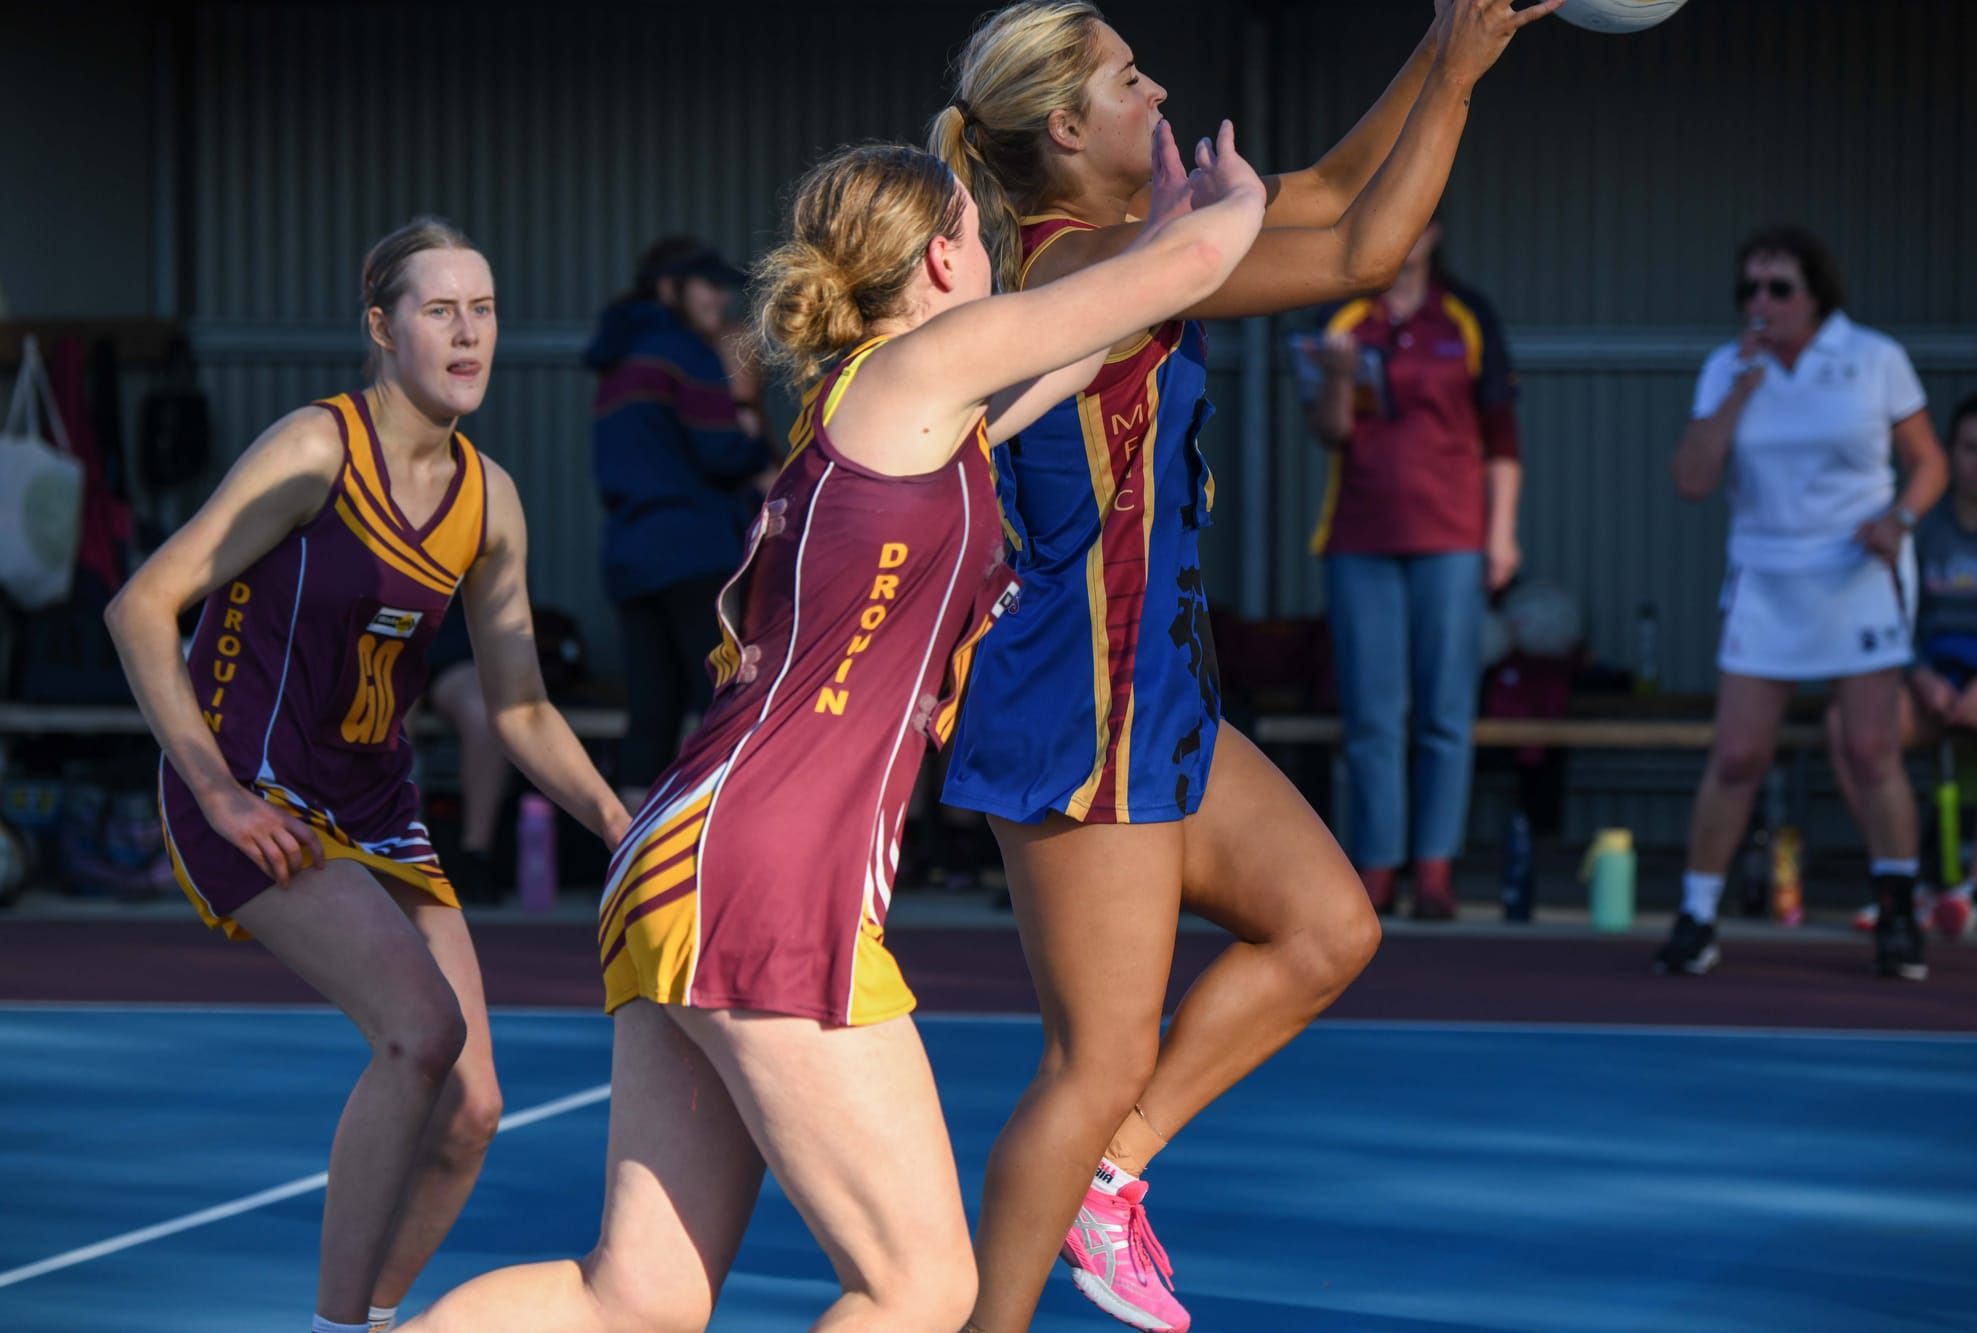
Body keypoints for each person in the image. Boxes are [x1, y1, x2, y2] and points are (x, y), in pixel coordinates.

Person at [404, 122, 1269, 1333]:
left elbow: (1087, 346)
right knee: (922, 1288)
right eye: (979, 237)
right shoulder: (919, 371)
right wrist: (1232, 203)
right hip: (766, 870)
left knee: (635, 1298)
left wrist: (1156, 236)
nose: (997, 259)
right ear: (938, 260)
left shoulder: (888, 406)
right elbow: (1181, 276)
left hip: (691, 853)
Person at [926, 2, 1563, 1329]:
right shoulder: (1088, 262)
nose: (1158, 92)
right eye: (1129, 79)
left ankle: (1111, 1176)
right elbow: (1363, 250)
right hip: (1081, 697)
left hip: (1152, 685)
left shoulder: (1143, 240)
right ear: (1066, 128)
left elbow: (1324, 189)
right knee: (1092, 1061)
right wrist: (1455, 74)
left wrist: (1451, 44)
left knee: (1329, 925)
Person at [104, 217, 632, 1333]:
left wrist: (615, 820)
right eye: (440, 310)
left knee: (473, 1109)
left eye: (483, 309)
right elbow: (141, 605)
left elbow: (520, 706)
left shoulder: (489, 501)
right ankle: (336, 1326)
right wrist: (215, 790)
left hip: (374, 803)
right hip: (252, 787)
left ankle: (377, 1316)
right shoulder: (315, 450)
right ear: (382, 330)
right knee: (420, 1031)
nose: (468, 332)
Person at [1659, 225, 1947, 982]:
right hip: (1765, 576)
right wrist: (1740, 388)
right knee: (1738, 755)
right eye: (1750, 289)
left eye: (1779, 288)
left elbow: (1928, 463)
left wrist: (1899, 520)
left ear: (1815, 294)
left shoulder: (1875, 357)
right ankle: (1696, 915)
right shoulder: (1726, 366)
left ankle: (1897, 912)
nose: (1762, 302)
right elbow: (1691, 480)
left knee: (1871, 750)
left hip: (1857, 573)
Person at [1304, 213, 1522, 919]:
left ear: (1435, 235)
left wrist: (1502, 535)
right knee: (1373, 713)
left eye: (1418, 225)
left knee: (1446, 713)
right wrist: (1338, 379)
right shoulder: (1343, 315)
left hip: (1453, 536)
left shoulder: (1467, 315)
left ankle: (1434, 868)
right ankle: (1378, 866)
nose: (1405, 239)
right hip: (1360, 536)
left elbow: (1501, 436)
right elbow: (1328, 429)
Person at [585, 238, 772, 808]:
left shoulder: (619, 360)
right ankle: (704, 844)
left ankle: (629, 848)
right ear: (670, 289)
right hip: (694, 552)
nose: (720, 298)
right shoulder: (684, 353)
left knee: (651, 714)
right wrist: (754, 440)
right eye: (707, 285)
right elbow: (724, 454)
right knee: (719, 704)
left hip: (631, 556)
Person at [1829, 392, 1977, 940]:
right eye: (1971, 448)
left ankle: (1975, 893)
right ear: (1949, 453)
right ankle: (1903, 885)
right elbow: (1889, 613)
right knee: (1846, 726)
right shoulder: (1923, 526)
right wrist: (1921, 676)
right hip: (1928, 682)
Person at [418, 600, 509, 903]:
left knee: (485, 718)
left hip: (449, 648)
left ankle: (477, 856)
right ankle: (396, 849)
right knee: (386, 718)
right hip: (378, 642)